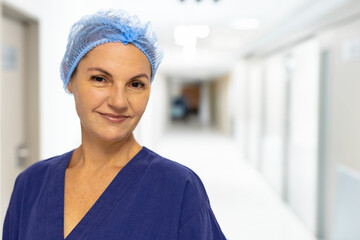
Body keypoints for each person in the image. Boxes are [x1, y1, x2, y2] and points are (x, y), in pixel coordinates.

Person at [3, 9, 226, 240]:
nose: (119, 102)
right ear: (69, 79)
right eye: (100, 79)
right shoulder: (31, 184)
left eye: (136, 84)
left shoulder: (179, 188)